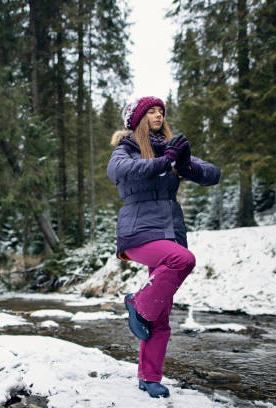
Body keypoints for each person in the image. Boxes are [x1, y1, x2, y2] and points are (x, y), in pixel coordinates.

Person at [107, 96, 220, 398]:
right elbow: (118, 172)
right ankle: (136, 302)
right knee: (183, 260)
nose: (158, 116)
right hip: (138, 232)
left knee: (160, 315)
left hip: (170, 231)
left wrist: (183, 163)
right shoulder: (126, 149)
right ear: (138, 119)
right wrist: (164, 160)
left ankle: (149, 378)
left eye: (161, 111)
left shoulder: (170, 150)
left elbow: (213, 175)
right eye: (151, 112)